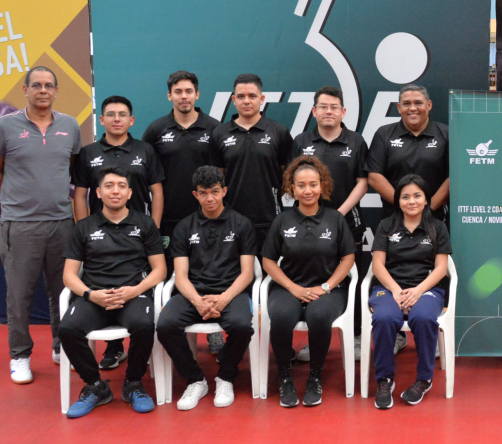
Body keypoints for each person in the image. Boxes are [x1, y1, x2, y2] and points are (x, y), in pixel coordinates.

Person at [0, 66, 83, 383]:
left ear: (56, 91)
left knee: (62, 293)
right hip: (20, 225)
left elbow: (70, 168)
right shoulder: (4, 127)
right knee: (19, 296)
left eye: (49, 86)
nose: (43, 90)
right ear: (25, 90)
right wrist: (19, 201)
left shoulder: (70, 126)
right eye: (37, 85)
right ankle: (20, 356)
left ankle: (61, 347)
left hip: (61, 224)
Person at [58, 167, 166, 418]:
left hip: (133, 294)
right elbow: (69, 275)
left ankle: (133, 383)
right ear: (98, 192)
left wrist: (134, 291)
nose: (114, 191)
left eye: (120, 186)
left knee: (143, 324)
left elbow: (159, 270)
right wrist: (90, 295)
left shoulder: (144, 223)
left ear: (129, 193)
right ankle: (95, 386)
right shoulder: (83, 227)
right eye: (108, 186)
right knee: (67, 329)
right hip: (95, 297)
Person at [73, 95, 165, 369]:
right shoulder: (88, 153)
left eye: (122, 114)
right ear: (101, 120)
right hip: (99, 234)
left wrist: (154, 229)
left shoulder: (145, 150)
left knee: (134, 288)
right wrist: (83, 231)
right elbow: (80, 195)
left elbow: (157, 193)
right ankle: (113, 348)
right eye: (110, 114)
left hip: (138, 234)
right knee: (104, 284)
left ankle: (140, 347)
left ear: (131, 120)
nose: (116, 119)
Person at [157, 166, 258, 410]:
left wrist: (223, 299)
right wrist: (198, 301)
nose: (210, 198)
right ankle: (195, 380)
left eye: (215, 191)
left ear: (224, 191)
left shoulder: (242, 224)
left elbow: (247, 273)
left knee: (243, 326)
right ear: (195, 195)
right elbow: (179, 276)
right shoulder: (184, 227)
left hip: (231, 291)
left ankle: (225, 376)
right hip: (193, 292)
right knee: (165, 325)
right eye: (203, 193)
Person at [262, 157, 356, 407]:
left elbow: (348, 258)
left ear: (322, 186)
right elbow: (268, 261)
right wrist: (293, 288)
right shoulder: (282, 221)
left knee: (318, 317)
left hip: (328, 289)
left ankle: (315, 377)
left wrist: (326, 287)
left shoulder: (335, 218)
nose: (307, 190)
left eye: (313, 184)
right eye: (301, 185)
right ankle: (285, 378)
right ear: (292, 189)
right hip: (289, 287)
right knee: (281, 317)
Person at [143, 70, 225, 356]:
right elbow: (149, 178)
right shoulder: (156, 130)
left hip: (209, 219)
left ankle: (214, 330)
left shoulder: (214, 129)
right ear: (170, 96)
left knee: (210, 274)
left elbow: (222, 175)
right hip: (170, 220)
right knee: (173, 279)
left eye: (189, 91)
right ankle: (173, 332)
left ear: (197, 94)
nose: (184, 96)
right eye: (178, 92)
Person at [290, 86, 369, 362]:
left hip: (348, 220)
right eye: (323, 107)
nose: (328, 111)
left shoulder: (356, 141)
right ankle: (316, 336)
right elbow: (294, 182)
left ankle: (357, 335)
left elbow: (363, 182)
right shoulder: (301, 141)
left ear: (343, 112)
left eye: (334, 107)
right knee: (313, 274)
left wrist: (338, 213)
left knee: (354, 277)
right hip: (308, 222)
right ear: (314, 111)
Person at [369, 174, 452, 409]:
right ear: (398, 201)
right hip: (389, 288)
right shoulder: (386, 225)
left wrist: (417, 291)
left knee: (424, 317)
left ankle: (424, 380)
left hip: (426, 288)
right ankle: (385, 380)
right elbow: (378, 265)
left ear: (426, 200)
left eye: (417, 195)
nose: (411, 201)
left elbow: (441, 268)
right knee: (385, 317)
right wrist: (396, 290)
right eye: (405, 197)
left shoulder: (438, 227)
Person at [211, 74, 294, 248]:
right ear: (234, 99)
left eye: (252, 96)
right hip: (231, 219)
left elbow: (288, 175)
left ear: (262, 99)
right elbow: (217, 177)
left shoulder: (279, 131)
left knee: (269, 272)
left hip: (271, 218)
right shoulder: (220, 133)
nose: (246, 101)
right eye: (241, 96)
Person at [365, 85, 448, 221]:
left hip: (434, 219)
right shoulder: (384, 134)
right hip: (394, 218)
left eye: (418, 103)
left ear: (429, 105)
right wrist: (404, 207)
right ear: (399, 107)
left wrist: (428, 209)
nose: (413, 108)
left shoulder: (446, 134)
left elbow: (452, 178)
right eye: (406, 104)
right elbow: (374, 176)